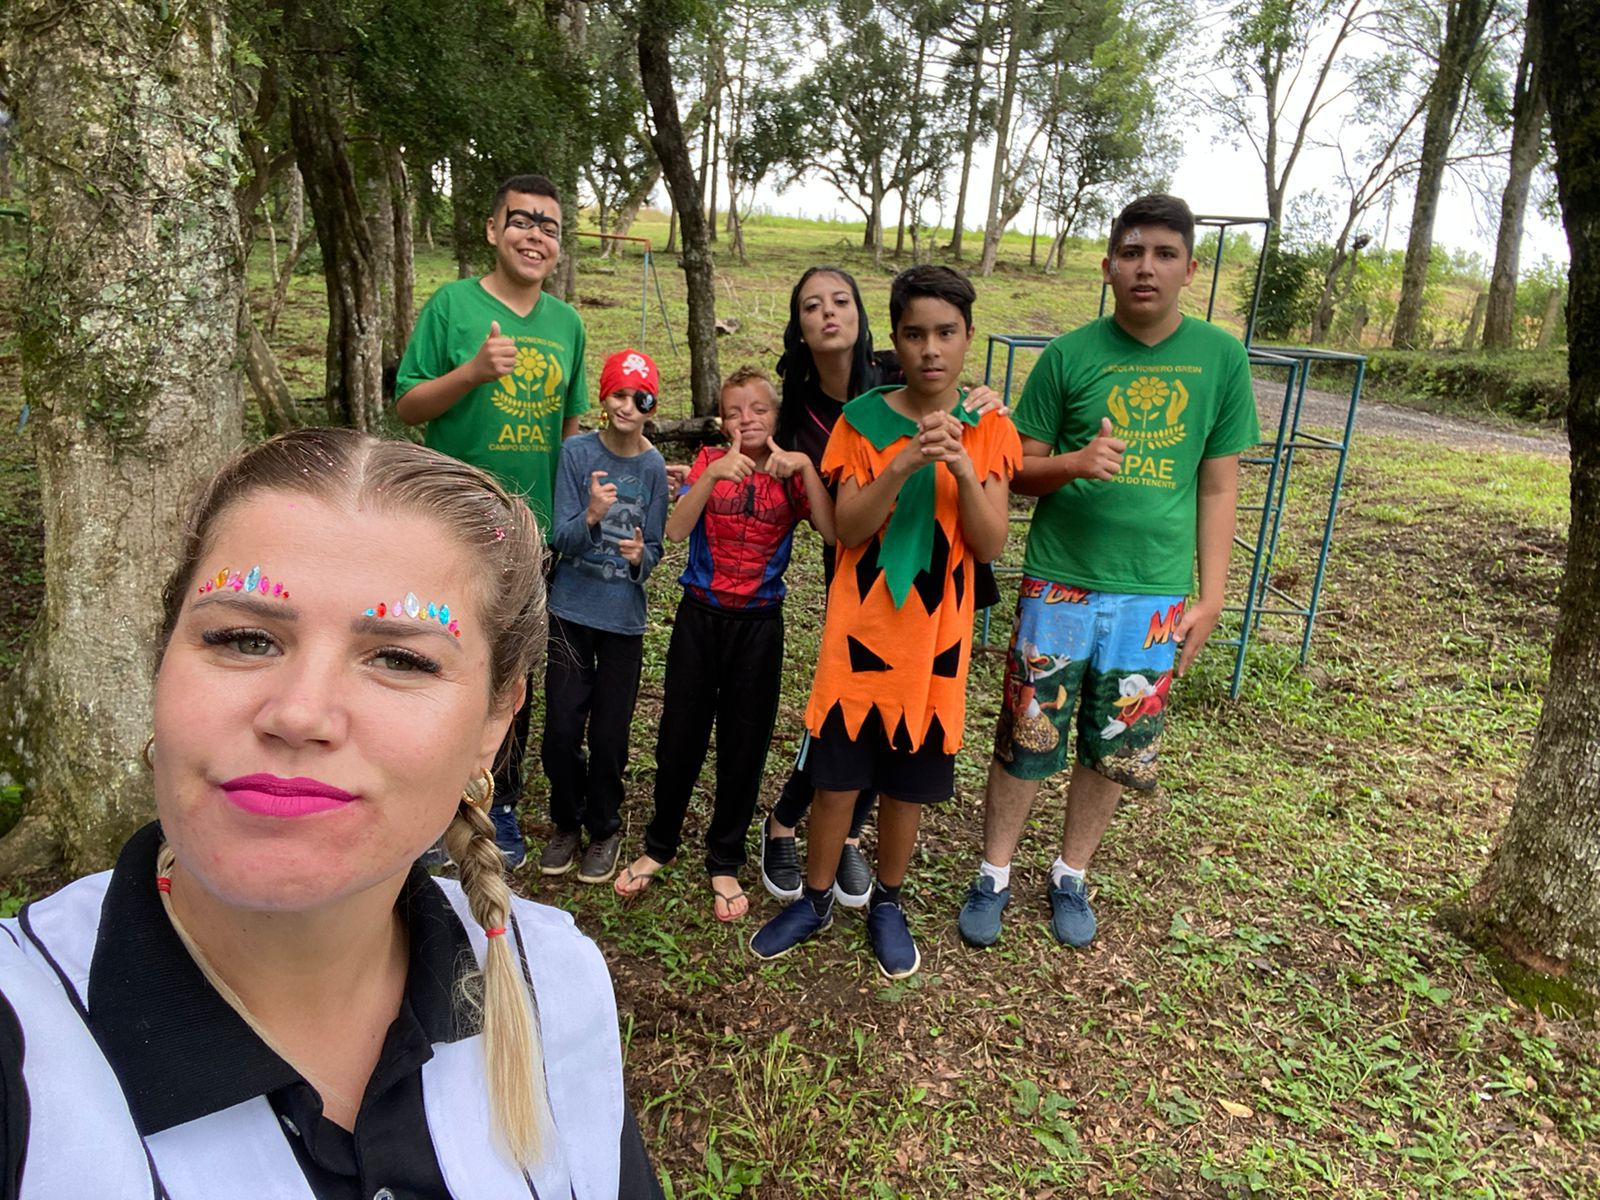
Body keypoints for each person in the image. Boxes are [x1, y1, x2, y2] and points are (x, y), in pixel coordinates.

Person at [0, 429, 661, 1200]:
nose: (299, 713)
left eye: (400, 659)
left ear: (496, 718)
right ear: (162, 662)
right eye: (244, 639)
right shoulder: (24, 1040)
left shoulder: (558, 985)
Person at [957, 193, 1260, 951]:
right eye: (1131, 253)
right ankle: (993, 873)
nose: (1145, 268)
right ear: (1108, 267)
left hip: (1153, 594)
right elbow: (1016, 469)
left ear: (1190, 268)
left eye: (1163, 254)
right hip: (1060, 581)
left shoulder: (1220, 358)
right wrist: (1076, 462)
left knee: (1116, 740)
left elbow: (1218, 484)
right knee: (1028, 732)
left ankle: (1071, 874)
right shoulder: (1069, 356)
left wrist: (1212, 596)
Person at [750, 265, 1021, 980]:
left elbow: (990, 543)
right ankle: (814, 899)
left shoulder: (990, 428)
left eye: (946, 333)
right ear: (893, 340)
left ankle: (888, 903)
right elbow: (846, 529)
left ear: (968, 337)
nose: (931, 349)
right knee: (837, 777)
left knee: (907, 786)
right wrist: (901, 465)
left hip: (937, 641)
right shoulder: (861, 421)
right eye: (915, 334)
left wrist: (961, 468)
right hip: (860, 633)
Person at [394, 172, 589, 868]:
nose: (536, 236)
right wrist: (472, 372)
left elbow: (571, 430)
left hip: (530, 531)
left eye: (549, 226)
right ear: (492, 229)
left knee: (510, 672)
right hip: (451, 523)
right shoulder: (452, 306)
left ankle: (495, 800)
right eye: (522, 220)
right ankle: (428, 800)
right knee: (433, 657)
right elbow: (408, 406)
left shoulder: (567, 324)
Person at [615, 367, 835, 921]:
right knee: (679, 735)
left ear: (775, 416)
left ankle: (725, 858)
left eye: (758, 409)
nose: (747, 420)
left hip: (760, 624)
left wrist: (807, 468)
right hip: (700, 616)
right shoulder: (709, 461)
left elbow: (832, 532)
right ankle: (660, 843)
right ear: (721, 420)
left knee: (745, 744)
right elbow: (675, 531)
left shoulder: (792, 473)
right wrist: (713, 476)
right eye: (735, 411)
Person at [537, 349, 670, 885]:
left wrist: (641, 559)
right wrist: (592, 515)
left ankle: (604, 827)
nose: (627, 406)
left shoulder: (653, 466)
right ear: (603, 397)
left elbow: (655, 545)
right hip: (570, 612)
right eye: (619, 394)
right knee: (561, 728)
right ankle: (566, 822)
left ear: (651, 406)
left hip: (622, 621)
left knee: (611, 736)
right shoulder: (577, 453)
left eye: (640, 398)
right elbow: (560, 538)